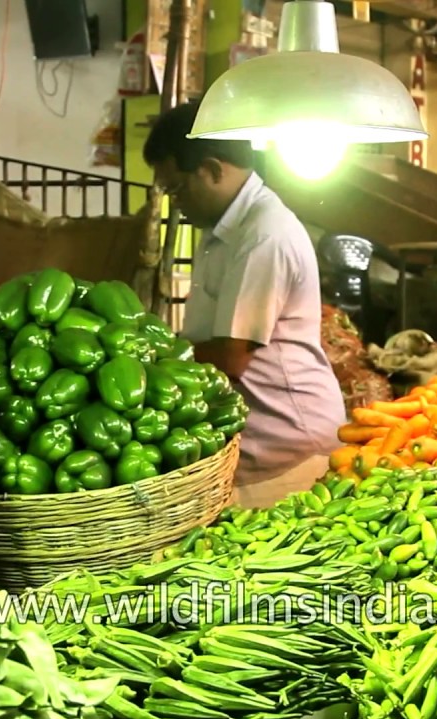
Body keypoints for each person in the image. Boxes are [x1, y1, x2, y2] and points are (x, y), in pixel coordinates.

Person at [142, 101, 346, 506]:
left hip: (288, 450)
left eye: (177, 189)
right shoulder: (223, 229)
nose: (175, 203)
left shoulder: (263, 235)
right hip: (258, 443)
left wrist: (143, 361)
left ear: (213, 170)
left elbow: (231, 356)